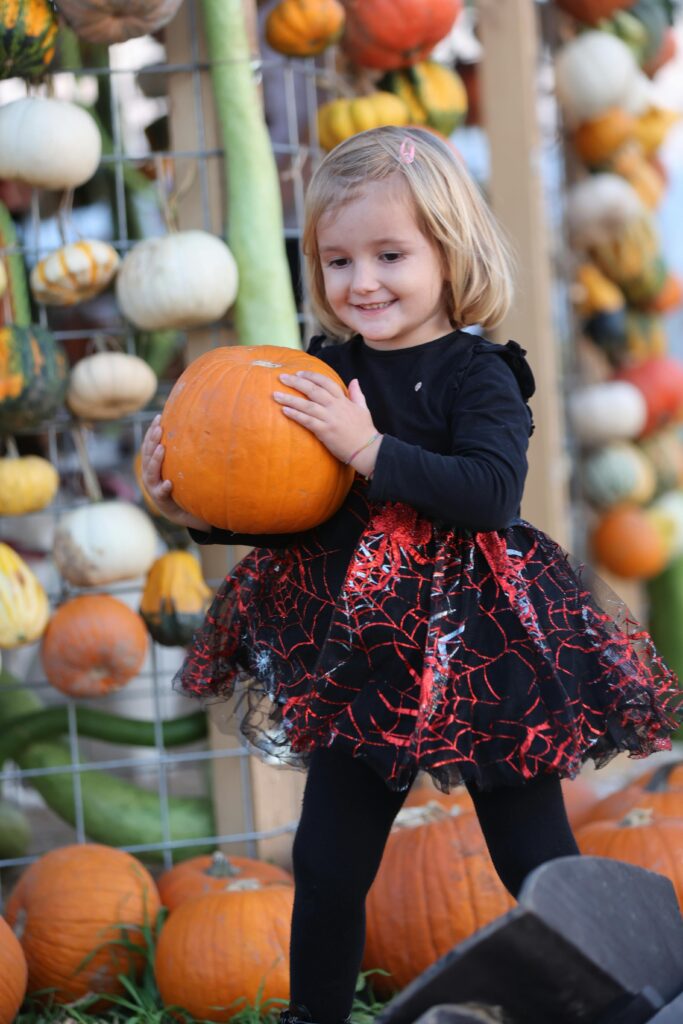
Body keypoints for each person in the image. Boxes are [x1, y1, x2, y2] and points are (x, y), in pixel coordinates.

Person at [141, 125, 680, 1024]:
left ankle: (622, 996)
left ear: (448, 251)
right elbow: (289, 502)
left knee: (531, 855)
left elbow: (490, 493)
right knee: (324, 866)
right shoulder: (320, 371)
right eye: (338, 258)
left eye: (390, 254)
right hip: (361, 659)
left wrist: (366, 447)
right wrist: (188, 508)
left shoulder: (478, 374)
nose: (363, 282)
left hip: (480, 652)